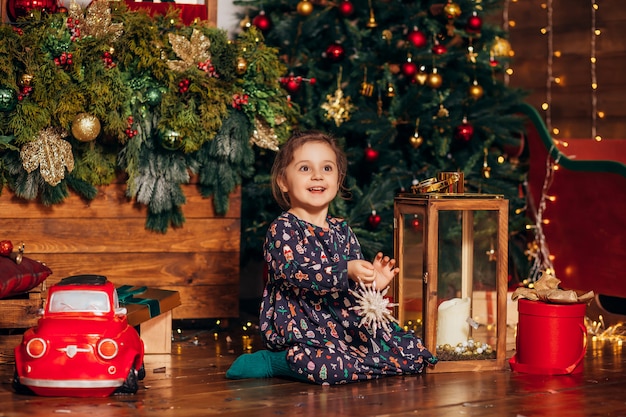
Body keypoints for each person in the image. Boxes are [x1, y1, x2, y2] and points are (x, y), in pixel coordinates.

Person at [226, 131, 437, 385]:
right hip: (303, 329)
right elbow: (295, 272)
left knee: (412, 350)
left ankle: (356, 362)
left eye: (327, 167)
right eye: (305, 168)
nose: (317, 175)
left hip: (343, 326)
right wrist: (345, 270)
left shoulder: (342, 230)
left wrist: (373, 284)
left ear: (338, 179)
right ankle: (278, 361)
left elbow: (354, 288)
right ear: (283, 180)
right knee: (327, 366)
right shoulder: (282, 229)